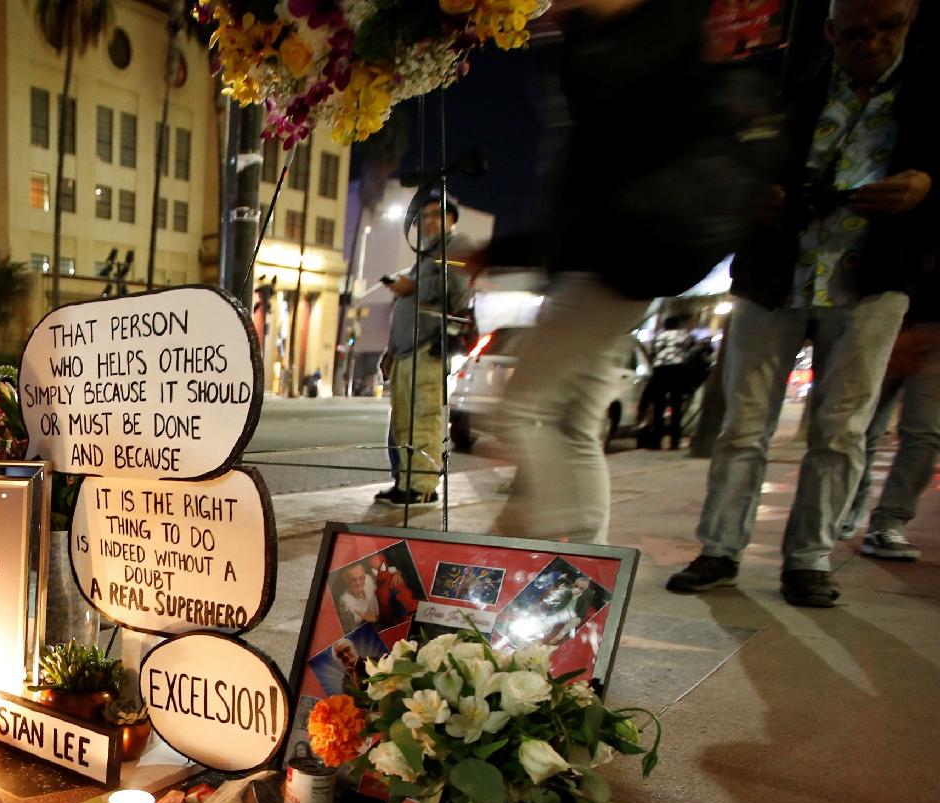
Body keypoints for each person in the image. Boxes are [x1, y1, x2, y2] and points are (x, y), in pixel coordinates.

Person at [477, 0, 783, 545]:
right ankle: (585, 556)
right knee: (574, 427)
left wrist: (582, 27)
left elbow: (600, 155)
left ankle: (540, 546)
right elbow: (585, 172)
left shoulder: (651, 34)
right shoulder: (627, 37)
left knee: (520, 412)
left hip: (614, 261)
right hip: (612, 263)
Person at [671, 0, 933, 606]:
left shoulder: (927, 98)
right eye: (855, 33)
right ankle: (719, 549)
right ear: (830, 32)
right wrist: (757, 198)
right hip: (776, 272)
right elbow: (738, 172)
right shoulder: (792, 95)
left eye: (887, 28)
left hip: (872, 278)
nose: (871, 43)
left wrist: (923, 186)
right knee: (744, 423)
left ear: (910, 19)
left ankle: (809, 558)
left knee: (842, 428)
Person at [378, 198, 470, 507]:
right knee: (403, 421)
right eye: (425, 217)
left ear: (451, 219)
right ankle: (406, 482)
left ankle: (423, 485)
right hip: (406, 352)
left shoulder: (456, 247)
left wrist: (412, 286)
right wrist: (390, 352)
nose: (428, 222)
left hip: (427, 350)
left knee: (423, 419)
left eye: (436, 215)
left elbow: (456, 289)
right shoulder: (427, 256)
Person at [845, 307, 939, 558]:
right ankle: (846, 506)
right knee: (855, 424)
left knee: (925, 432)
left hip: (932, 328)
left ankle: (888, 523)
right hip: (882, 311)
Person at [335, 560, 381, 627]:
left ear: (364, 575)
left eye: (361, 578)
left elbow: (389, 573)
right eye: (353, 580)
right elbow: (369, 619)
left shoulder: (369, 579)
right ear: (346, 581)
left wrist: (396, 574)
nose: (358, 583)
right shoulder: (344, 601)